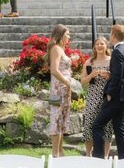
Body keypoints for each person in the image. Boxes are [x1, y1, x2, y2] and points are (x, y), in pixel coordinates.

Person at [93, 24, 124, 160]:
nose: (109, 36)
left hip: (115, 98)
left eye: (110, 34)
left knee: (97, 125)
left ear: (113, 36)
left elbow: (117, 77)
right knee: (119, 130)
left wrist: (109, 94)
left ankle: (98, 160)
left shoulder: (117, 52)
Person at [81, 37, 113, 158]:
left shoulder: (111, 61)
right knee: (89, 125)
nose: (99, 46)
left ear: (106, 46)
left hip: (107, 98)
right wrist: (91, 75)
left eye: (102, 44)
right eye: (97, 44)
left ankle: (105, 156)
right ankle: (88, 154)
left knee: (107, 126)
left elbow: (116, 79)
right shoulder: (89, 62)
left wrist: (108, 76)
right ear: (94, 47)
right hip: (92, 98)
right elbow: (83, 81)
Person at [47, 24, 73, 158]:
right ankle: (55, 154)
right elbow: (54, 70)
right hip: (58, 91)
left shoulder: (62, 50)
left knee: (62, 121)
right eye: (67, 34)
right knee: (56, 120)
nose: (69, 37)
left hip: (64, 91)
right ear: (60, 34)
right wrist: (67, 82)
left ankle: (61, 153)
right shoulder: (56, 49)